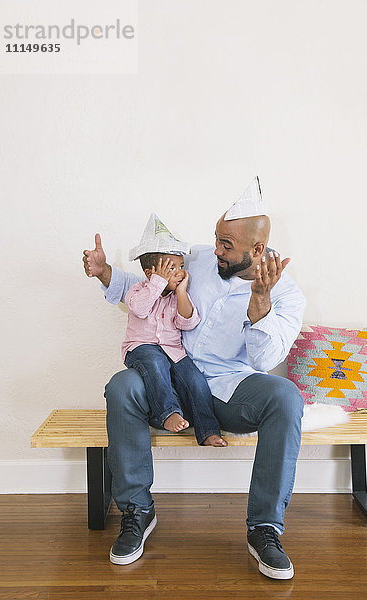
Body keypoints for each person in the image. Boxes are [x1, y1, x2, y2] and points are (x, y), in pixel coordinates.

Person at [82, 176, 306, 579]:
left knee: (286, 397)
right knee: (121, 386)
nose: (215, 250)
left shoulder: (286, 293)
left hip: (226, 389)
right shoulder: (199, 258)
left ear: (257, 249)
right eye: (217, 239)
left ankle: (265, 529)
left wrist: (259, 306)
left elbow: (266, 359)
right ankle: (137, 511)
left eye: (226, 245)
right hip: (166, 378)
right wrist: (105, 275)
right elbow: (148, 284)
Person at [121, 213, 227, 447]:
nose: (179, 272)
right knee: (156, 365)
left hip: (173, 351)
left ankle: (208, 430)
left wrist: (180, 293)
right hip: (141, 349)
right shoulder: (138, 291)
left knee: (195, 380)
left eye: (181, 266)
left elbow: (187, 322)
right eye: (172, 268)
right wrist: (157, 283)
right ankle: (168, 414)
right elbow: (139, 309)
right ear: (151, 273)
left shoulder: (176, 298)